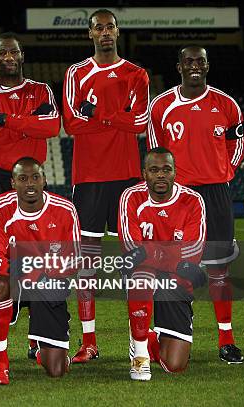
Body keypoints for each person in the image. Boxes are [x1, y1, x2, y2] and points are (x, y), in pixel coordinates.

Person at [147, 45, 244, 363]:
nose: (194, 66)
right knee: (169, 268)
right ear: (179, 67)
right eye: (188, 61)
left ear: (207, 65)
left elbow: (237, 142)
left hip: (216, 193)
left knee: (218, 270)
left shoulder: (227, 105)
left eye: (199, 61)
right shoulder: (161, 106)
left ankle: (226, 340)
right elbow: (154, 153)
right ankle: (165, 334)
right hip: (180, 198)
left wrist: (224, 172)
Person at [62, 8, 149, 363]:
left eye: (110, 26)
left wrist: (97, 114)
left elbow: (140, 121)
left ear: (118, 30)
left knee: (137, 263)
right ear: (90, 34)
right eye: (99, 27)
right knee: (87, 264)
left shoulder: (136, 74)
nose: (105, 32)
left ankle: (141, 342)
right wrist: (118, 118)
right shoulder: (76, 73)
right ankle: (89, 341)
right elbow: (71, 123)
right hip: (89, 179)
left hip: (128, 177)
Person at [0, 32, 61, 364]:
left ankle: (38, 338)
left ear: (22, 56)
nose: (8, 56)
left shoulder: (40, 90)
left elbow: (51, 127)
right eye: (1, 52)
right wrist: (26, 126)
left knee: (37, 260)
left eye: (14, 52)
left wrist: (7, 122)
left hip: (32, 183)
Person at [0, 157, 80, 385]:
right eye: (22, 178)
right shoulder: (0, 207)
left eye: (35, 177)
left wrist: (40, 272)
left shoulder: (65, 210)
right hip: (14, 280)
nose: (30, 184)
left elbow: (74, 260)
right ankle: (0, 362)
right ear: (13, 183)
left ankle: (41, 347)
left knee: (57, 369)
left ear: (44, 180)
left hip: (49, 283)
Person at [118, 147, 207, 380]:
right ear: (144, 173)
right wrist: (172, 260)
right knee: (140, 275)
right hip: (146, 274)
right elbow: (131, 248)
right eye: (154, 170)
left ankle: (147, 336)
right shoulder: (131, 196)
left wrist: (150, 251)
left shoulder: (192, 200)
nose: (160, 175)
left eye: (166, 170)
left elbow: (193, 250)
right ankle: (139, 356)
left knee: (174, 365)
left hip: (175, 281)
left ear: (175, 172)